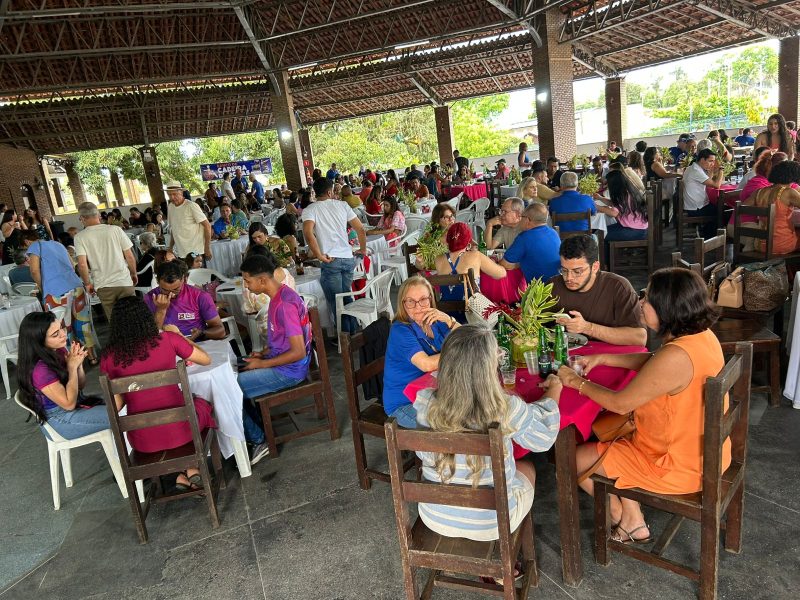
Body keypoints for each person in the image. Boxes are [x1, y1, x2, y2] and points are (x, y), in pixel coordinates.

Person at [558, 268, 725, 543]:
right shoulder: (702, 336)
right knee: (610, 432)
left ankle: (622, 519)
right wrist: (604, 359)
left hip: (675, 465)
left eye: (647, 299)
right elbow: (656, 363)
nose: (641, 304)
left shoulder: (677, 356)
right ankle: (631, 515)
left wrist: (575, 382)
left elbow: (621, 403)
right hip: (706, 451)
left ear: (667, 309)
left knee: (570, 459)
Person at [413, 325, 560, 541]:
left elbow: (421, 452)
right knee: (528, 466)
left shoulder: (425, 401)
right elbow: (544, 439)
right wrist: (554, 390)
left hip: (434, 514)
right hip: (491, 523)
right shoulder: (505, 408)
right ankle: (508, 552)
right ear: (489, 367)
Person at [101, 296, 215, 490]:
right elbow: (206, 359)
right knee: (202, 405)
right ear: (147, 317)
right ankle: (192, 470)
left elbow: (117, 406)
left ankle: (186, 474)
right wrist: (179, 335)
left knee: (174, 422)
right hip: (183, 431)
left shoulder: (108, 358)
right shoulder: (168, 339)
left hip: (142, 440)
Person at [237, 253, 312, 464]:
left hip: (290, 370)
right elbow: (283, 340)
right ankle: (258, 424)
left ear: (262, 280)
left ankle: (259, 439)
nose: (246, 286)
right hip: (281, 362)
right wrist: (264, 352)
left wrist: (262, 363)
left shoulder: (285, 304)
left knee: (229, 389)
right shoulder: (279, 296)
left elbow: (298, 352)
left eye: (247, 281)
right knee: (235, 369)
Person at [16, 311, 108, 439]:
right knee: (122, 414)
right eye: (55, 334)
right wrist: (72, 367)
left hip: (77, 402)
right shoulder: (40, 370)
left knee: (125, 402)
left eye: (61, 328)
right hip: (61, 419)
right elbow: (68, 404)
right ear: (39, 341)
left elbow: (80, 386)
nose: (63, 335)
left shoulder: (59, 349)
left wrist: (78, 364)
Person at [383, 277, 460, 428]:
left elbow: (464, 338)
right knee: (452, 428)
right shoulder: (400, 330)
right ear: (403, 304)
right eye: (411, 301)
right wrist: (460, 352)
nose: (418, 307)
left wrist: (450, 321)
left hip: (434, 393)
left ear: (431, 299)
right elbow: (427, 364)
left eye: (423, 299)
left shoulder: (435, 320)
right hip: (405, 403)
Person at [552, 235, 646, 346]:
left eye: (577, 271)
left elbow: (640, 338)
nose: (569, 278)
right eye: (564, 270)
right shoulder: (553, 286)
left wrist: (588, 328)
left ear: (595, 267)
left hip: (609, 356)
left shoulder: (618, 287)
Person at [302, 177, 366, 333]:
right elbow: (360, 229)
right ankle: (352, 332)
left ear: (314, 192)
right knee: (346, 296)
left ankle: (345, 339)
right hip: (347, 257)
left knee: (337, 302)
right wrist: (363, 249)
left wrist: (319, 255)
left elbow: (308, 233)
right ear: (330, 191)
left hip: (331, 260)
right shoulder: (343, 205)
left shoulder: (310, 210)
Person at [73, 202, 137, 320]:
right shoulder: (115, 230)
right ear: (98, 215)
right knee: (133, 318)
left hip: (103, 285)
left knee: (115, 322)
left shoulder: (80, 237)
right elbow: (130, 256)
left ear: (82, 218)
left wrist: (87, 283)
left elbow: (82, 265)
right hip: (124, 281)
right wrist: (133, 273)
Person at [144, 260, 225, 341]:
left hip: (196, 345)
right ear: (157, 281)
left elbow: (221, 331)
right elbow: (151, 338)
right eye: (165, 290)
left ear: (183, 279)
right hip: (166, 347)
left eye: (176, 289)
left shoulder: (200, 296)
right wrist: (161, 310)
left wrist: (202, 333)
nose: (171, 294)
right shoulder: (149, 298)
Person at [435, 223, 506, 307]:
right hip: (472, 313)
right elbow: (501, 274)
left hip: (447, 314)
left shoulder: (438, 260)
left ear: (448, 240)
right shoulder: (476, 256)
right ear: (469, 240)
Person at [747, 160, 800, 255]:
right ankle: (791, 269)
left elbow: (743, 208)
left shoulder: (759, 191)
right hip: (781, 244)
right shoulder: (789, 192)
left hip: (760, 245)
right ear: (794, 176)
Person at [500, 202, 562, 283]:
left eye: (522, 217)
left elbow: (505, 265)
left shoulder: (524, 237)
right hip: (558, 283)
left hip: (539, 290)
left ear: (528, 220)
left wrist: (520, 264)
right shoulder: (553, 232)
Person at [600, 170, 648, 261]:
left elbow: (614, 212)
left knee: (601, 234)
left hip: (636, 231)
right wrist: (600, 198)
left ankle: (606, 264)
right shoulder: (628, 190)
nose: (607, 186)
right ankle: (612, 260)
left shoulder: (624, 194)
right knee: (602, 230)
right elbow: (615, 204)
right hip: (639, 228)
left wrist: (596, 207)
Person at [682, 147, 724, 239]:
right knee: (722, 211)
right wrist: (721, 171)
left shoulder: (692, 168)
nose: (712, 164)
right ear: (702, 159)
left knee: (719, 208)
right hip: (696, 208)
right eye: (710, 161)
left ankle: (706, 233)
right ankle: (709, 237)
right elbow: (716, 185)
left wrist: (712, 170)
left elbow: (708, 181)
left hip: (694, 205)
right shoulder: (696, 171)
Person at [166, 181, 212, 263]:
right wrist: (170, 247)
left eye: (174, 194)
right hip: (181, 253)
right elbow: (174, 229)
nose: (172, 197)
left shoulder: (191, 206)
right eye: (169, 195)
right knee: (186, 276)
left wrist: (207, 248)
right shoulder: (170, 207)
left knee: (198, 275)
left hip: (196, 252)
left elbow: (207, 226)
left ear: (181, 192)